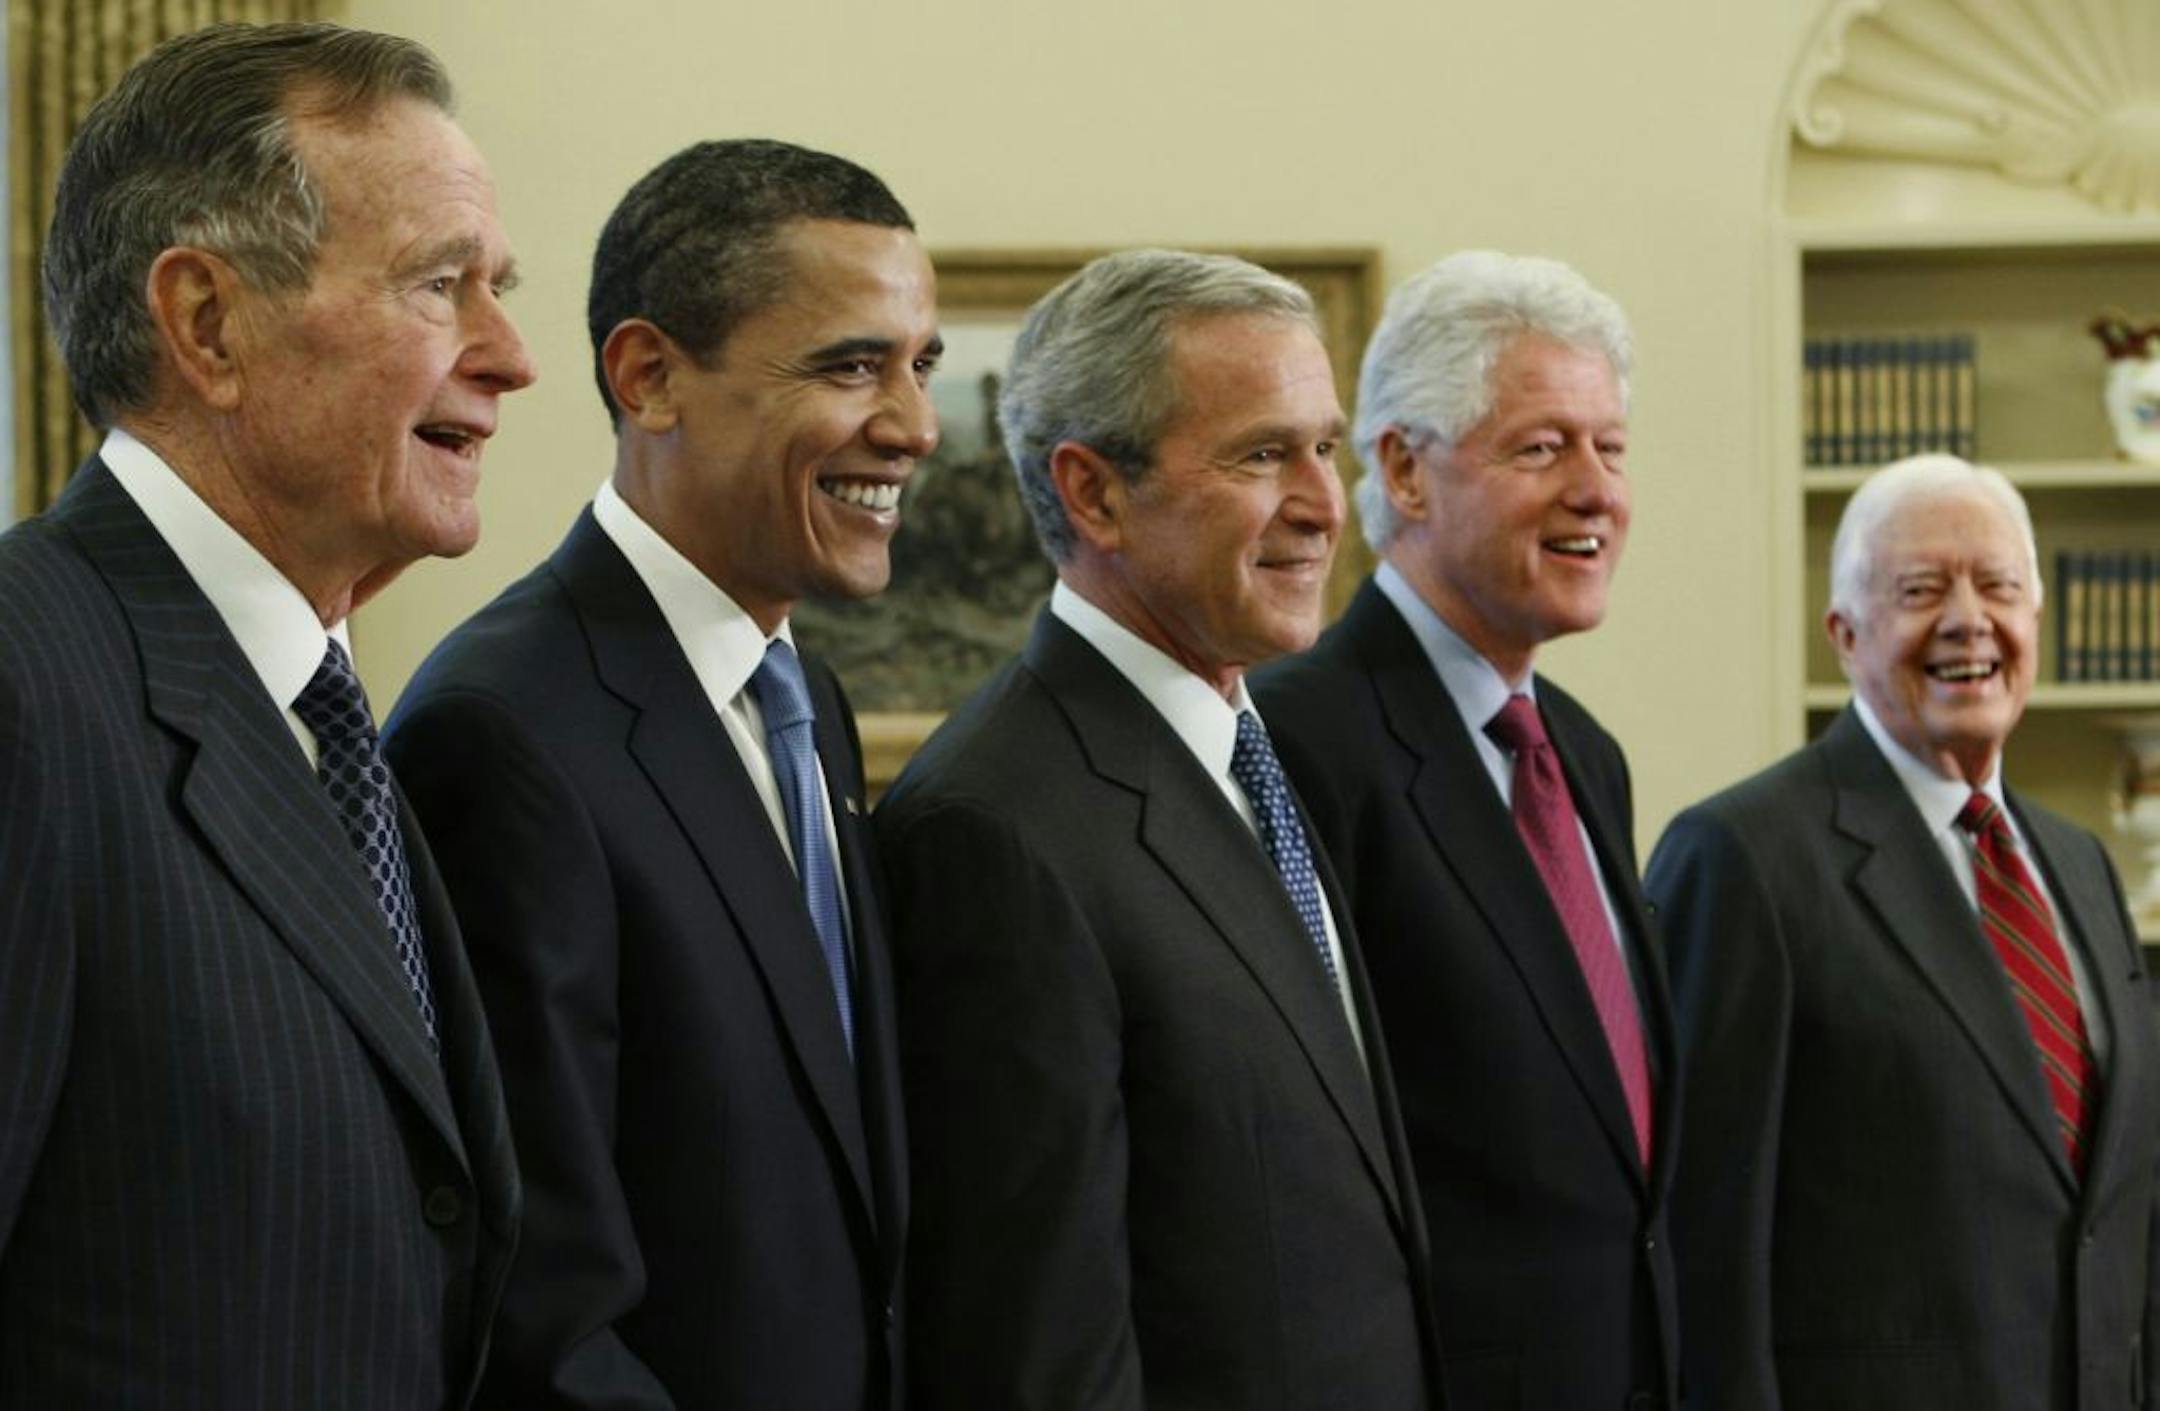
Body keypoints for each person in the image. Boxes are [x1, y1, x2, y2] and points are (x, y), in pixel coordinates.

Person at [0, 21, 534, 1405]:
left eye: (501, 288)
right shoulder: (24, 678)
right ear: (208, 323)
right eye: (441, 284)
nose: (510, 353)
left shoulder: (327, 718)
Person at [382, 139, 936, 1410]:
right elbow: (539, 1310)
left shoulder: (813, 707)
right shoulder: (504, 732)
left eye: (921, 366)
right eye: (853, 365)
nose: (909, 425)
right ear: (650, 377)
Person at [875, 248, 1441, 1409]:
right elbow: (1039, 1348)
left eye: (1324, 447)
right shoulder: (993, 828)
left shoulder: (1248, 741)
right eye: (1261, 454)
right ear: (1093, 493)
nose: (1325, 504)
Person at [1252, 250, 1677, 1409]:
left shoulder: (1582, 751)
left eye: (1613, 447)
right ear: (1406, 467)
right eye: (1544, 447)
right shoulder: (1293, 743)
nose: (1597, 489)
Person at [1646, 454, 2160, 1409]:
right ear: (1844, 633)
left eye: (1999, 586)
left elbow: (2123, 1214)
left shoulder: (2080, 864)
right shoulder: (1741, 859)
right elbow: (1704, 1245)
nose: (1970, 619)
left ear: (2035, 622)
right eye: (1922, 590)